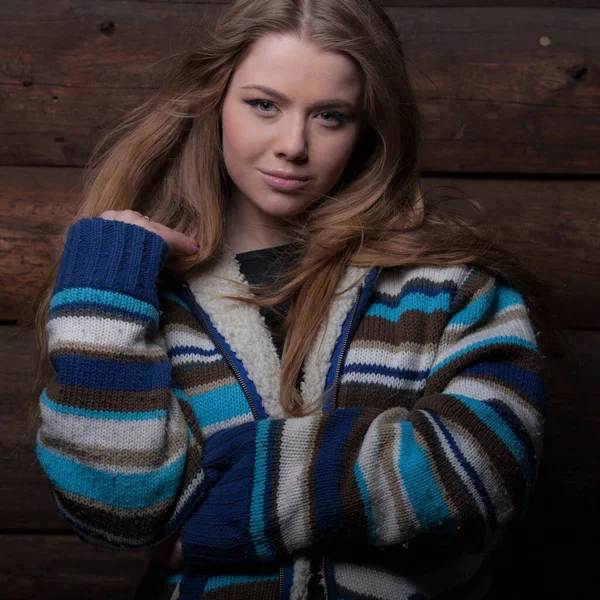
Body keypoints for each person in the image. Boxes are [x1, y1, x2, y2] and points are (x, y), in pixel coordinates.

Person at [28, 0, 550, 598]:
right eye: (264, 105)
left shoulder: (450, 285)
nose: (293, 145)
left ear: (367, 129)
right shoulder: (137, 293)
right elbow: (113, 509)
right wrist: (103, 289)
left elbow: (479, 469)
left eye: (330, 116)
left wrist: (217, 516)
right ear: (214, 100)